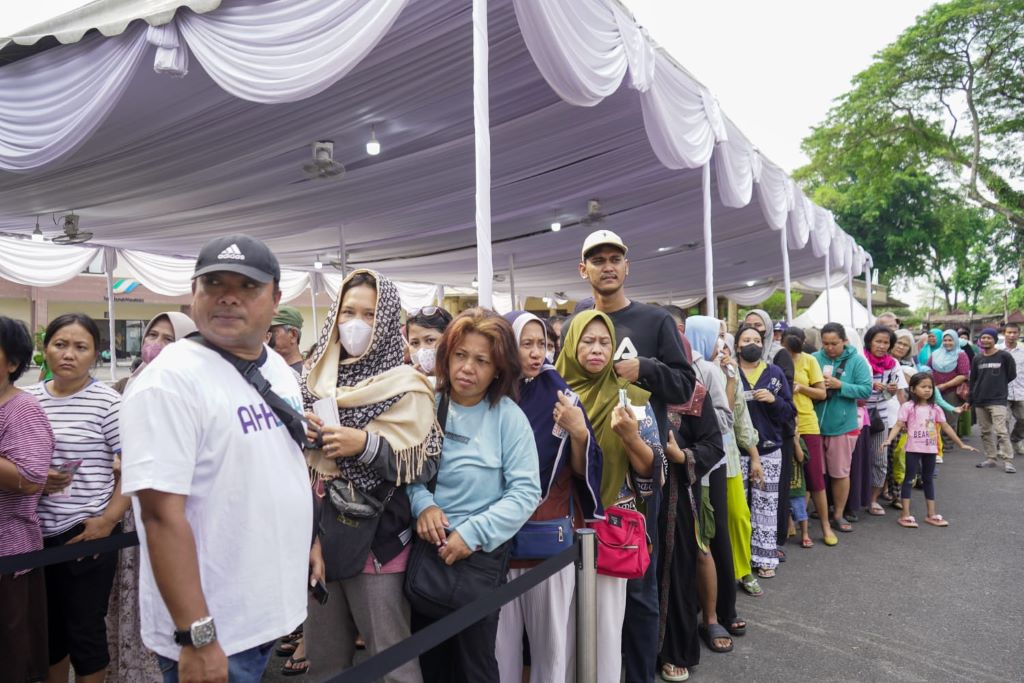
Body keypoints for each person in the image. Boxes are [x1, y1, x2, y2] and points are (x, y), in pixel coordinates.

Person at [120, 234, 313, 682]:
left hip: (267, 613)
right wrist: (197, 635)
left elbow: (281, 468)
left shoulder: (277, 369)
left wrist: (311, 540)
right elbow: (160, 517)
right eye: (213, 284)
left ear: (276, 298)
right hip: (215, 632)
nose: (228, 297)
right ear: (194, 293)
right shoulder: (168, 383)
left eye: (247, 286)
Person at [300, 270, 442, 682]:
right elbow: (299, 467)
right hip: (317, 542)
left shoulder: (408, 385)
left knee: (393, 665)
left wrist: (364, 444)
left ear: (386, 324)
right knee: (325, 664)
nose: (356, 323)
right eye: (347, 312)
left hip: (379, 546)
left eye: (369, 314)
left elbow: (426, 463)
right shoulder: (312, 382)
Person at [574, 229, 694, 683]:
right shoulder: (577, 324)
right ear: (582, 270)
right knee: (589, 583)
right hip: (585, 475)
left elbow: (684, 387)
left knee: (638, 583)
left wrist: (644, 367)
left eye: (614, 259)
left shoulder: (655, 321)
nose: (607, 266)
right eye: (597, 259)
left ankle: (639, 674)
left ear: (627, 267)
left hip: (640, 477)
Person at [407, 309, 541, 682]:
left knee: (475, 664)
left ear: (498, 369)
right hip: (427, 553)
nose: (468, 368)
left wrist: (472, 533)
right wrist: (424, 504)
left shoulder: (508, 417)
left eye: (482, 360)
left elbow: (526, 491)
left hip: (479, 560)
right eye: (460, 355)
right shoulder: (427, 405)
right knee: (429, 660)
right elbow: (406, 471)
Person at [555, 310, 663, 683]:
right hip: (560, 526)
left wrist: (631, 438)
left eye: (605, 342)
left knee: (605, 629)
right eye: (588, 341)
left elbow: (653, 470)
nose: (597, 349)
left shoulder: (628, 398)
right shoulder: (551, 393)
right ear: (571, 345)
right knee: (561, 632)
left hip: (610, 528)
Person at [495, 311, 602, 683]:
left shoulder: (560, 394)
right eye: (527, 343)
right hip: (494, 540)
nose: (537, 353)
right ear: (507, 344)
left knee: (551, 648)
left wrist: (578, 433)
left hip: (545, 536)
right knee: (497, 650)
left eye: (543, 344)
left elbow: (580, 468)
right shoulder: (488, 392)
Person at [22, 314, 125, 683]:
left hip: (85, 533)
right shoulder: (28, 399)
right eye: (60, 344)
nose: (68, 354)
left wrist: (108, 521)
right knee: (48, 634)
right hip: (33, 534)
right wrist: (30, 478)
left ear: (95, 354)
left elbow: (136, 466)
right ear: (44, 349)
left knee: (85, 633)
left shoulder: (108, 403)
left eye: (80, 347)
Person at [109, 311, 196, 683]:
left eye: (169, 339)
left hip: (170, 511)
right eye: (153, 335)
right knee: (130, 592)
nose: (156, 345)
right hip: (132, 511)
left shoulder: (190, 387)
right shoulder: (129, 384)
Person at [658, 374, 726, 682]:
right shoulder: (619, 381)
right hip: (627, 494)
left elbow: (713, 444)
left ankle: (674, 650)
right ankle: (633, 649)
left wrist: (682, 456)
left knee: (675, 569)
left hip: (676, 496)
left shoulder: (692, 391)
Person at [681, 316, 744, 635]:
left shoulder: (706, 370)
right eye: (716, 335)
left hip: (709, 468)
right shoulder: (665, 367)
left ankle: (724, 610)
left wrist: (689, 417)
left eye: (722, 335)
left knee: (716, 537)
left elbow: (724, 419)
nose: (722, 342)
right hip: (681, 469)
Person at [0, 316, 55, 683]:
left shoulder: (22, 409)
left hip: (8, 555)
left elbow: (32, 478)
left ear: (12, 363)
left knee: (10, 658)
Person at [735, 324, 794, 579]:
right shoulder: (729, 372)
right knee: (738, 508)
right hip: (735, 451)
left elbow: (789, 412)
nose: (752, 344)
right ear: (737, 344)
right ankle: (741, 559)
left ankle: (765, 556)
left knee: (766, 506)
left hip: (769, 449)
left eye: (757, 340)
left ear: (764, 344)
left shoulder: (774, 373)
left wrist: (774, 400)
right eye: (746, 339)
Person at [882, 373, 976, 528]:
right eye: (923, 387)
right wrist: (888, 439)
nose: (927, 390)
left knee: (928, 480)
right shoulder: (908, 407)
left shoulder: (936, 408)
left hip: (930, 450)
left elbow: (945, 427)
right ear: (912, 389)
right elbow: (899, 425)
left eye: (930, 387)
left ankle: (931, 514)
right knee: (909, 479)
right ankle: (905, 514)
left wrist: (960, 444)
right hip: (913, 449)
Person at [813, 322, 872, 534]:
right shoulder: (814, 358)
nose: (829, 348)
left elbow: (866, 390)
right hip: (814, 425)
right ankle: (820, 511)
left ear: (844, 341)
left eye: (834, 343)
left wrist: (841, 386)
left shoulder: (856, 361)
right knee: (816, 472)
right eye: (825, 343)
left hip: (843, 426)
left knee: (839, 472)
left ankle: (838, 514)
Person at [782, 329, 836, 545]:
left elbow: (822, 393)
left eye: (796, 349)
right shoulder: (775, 358)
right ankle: (788, 523)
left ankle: (825, 526)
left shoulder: (810, 361)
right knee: (786, 475)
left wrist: (800, 388)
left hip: (807, 422)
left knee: (814, 477)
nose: (792, 353)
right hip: (784, 423)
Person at [862, 325, 905, 516]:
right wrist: (870, 384)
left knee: (880, 459)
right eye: (878, 341)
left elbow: (888, 396)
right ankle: (853, 499)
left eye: (886, 342)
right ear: (869, 341)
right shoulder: (860, 359)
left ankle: (872, 500)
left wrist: (890, 390)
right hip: (858, 416)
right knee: (857, 460)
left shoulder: (893, 364)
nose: (881, 346)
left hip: (880, 418)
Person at [967, 327, 1017, 473]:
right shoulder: (977, 358)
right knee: (985, 431)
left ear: (994, 340)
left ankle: (1008, 461)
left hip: (998, 400)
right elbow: (973, 380)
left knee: (1001, 431)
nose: (986, 340)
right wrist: (970, 399)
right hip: (980, 400)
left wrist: (998, 385)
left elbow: (1011, 374)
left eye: (989, 337)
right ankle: (991, 458)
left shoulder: (1004, 356)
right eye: (983, 337)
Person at [927, 330, 971, 431]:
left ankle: (948, 446)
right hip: (934, 391)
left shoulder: (961, 355)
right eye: (945, 340)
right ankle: (936, 445)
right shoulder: (936, 353)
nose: (947, 343)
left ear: (955, 340)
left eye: (950, 340)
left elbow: (963, 375)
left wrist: (944, 385)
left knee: (949, 420)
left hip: (951, 392)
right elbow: (927, 368)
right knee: (933, 419)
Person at [999, 322, 1024, 459]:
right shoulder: (997, 350)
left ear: (1019, 334)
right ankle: (1003, 447)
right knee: (1004, 420)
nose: (1012, 335)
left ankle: (1016, 439)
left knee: (1023, 419)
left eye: (1015, 332)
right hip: (1003, 392)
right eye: (1009, 332)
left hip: (1021, 391)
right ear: (1004, 333)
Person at [406, 306, 453, 378]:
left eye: (430, 340)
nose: (422, 350)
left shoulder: (461, 380)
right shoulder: (406, 383)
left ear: (448, 340)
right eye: (415, 343)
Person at [268, 305, 306, 374]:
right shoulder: (270, 371)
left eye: (273, 332)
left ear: (293, 335)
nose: (268, 337)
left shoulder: (308, 374)